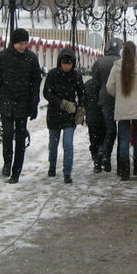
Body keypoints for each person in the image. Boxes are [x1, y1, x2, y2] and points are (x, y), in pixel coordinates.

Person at [0, 27, 42, 184]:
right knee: (8, 134)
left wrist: (34, 104)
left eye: (25, 43)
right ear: (14, 42)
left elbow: (36, 82)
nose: (23, 47)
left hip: (23, 103)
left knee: (20, 138)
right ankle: (7, 163)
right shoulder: (3, 56)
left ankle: (16, 171)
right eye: (20, 43)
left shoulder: (31, 58)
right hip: (6, 100)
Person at [106, 41, 137, 180]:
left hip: (122, 109)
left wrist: (119, 95)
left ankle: (124, 171)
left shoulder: (116, 67)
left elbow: (110, 88)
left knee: (124, 138)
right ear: (136, 53)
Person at [42, 48, 85, 184]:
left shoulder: (76, 76)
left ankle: (67, 172)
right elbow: (47, 93)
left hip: (69, 115)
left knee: (68, 143)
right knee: (53, 143)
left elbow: (82, 93)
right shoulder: (52, 74)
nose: (67, 66)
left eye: (69, 63)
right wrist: (61, 103)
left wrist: (81, 108)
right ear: (59, 62)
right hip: (55, 113)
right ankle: (52, 165)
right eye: (64, 63)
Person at [90, 37, 123, 173]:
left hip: (104, 100)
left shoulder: (99, 62)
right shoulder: (121, 62)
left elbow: (95, 83)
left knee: (109, 130)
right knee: (122, 131)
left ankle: (104, 155)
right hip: (121, 99)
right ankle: (120, 162)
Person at [82, 73, 106, 173]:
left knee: (93, 138)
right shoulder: (105, 84)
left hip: (91, 117)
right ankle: (101, 151)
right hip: (104, 116)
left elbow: (83, 101)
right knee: (104, 136)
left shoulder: (87, 84)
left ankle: (95, 157)